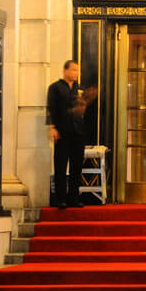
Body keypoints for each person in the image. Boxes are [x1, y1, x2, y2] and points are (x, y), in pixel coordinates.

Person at [46, 60, 96, 209]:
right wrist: (52, 127)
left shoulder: (78, 89)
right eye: (74, 70)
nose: (76, 73)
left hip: (78, 132)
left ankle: (73, 198)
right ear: (65, 70)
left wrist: (85, 102)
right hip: (62, 131)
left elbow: (82, 112)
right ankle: (61, 198)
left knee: (76, 167)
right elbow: (51, 108)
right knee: (60, 165)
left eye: (78, 71)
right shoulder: (55, 88)